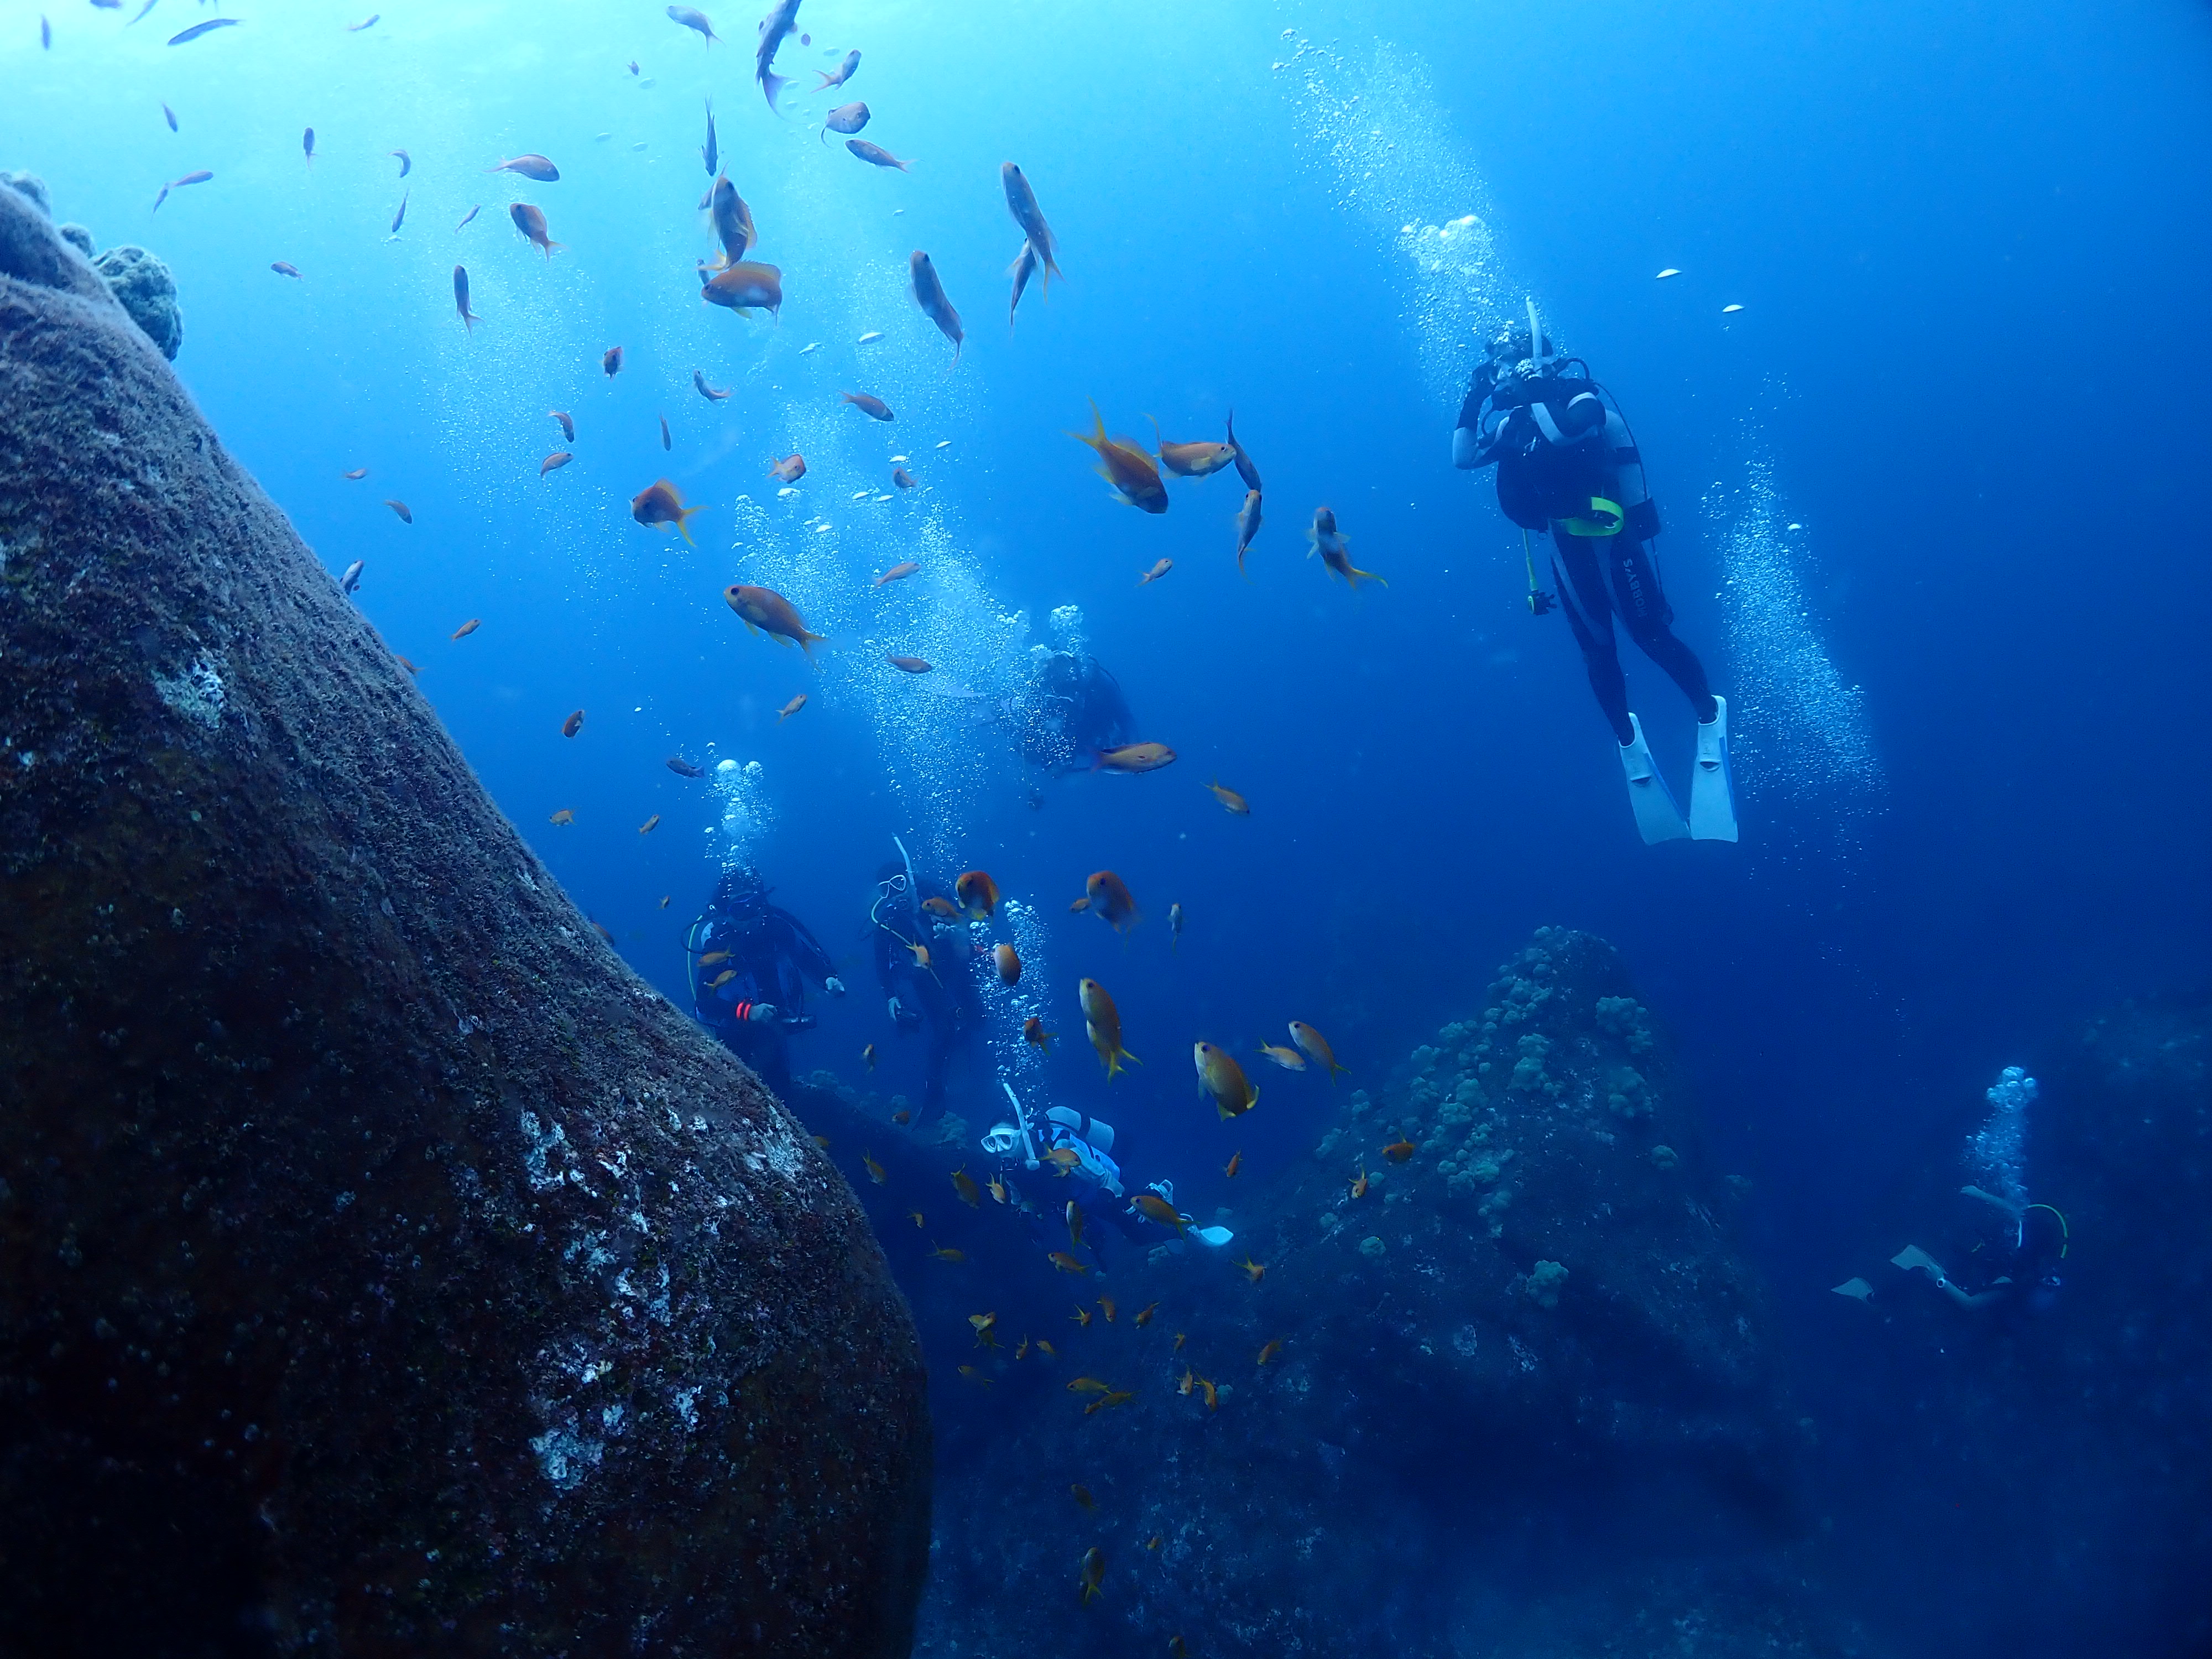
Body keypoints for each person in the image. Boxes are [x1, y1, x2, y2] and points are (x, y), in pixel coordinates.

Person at [1453, 301, 1737, 844]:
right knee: (1597, 654)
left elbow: (1569, 433)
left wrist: (1536, 391)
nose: (1501, 375)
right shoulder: (1512, 423)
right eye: (1496, 367)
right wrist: (1472, 399)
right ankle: (1629, 744)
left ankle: (1707, 716)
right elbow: (1462, 458)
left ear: (1536, 359)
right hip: (1565, 551)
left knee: (1651, 638)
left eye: (1509, 364)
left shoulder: (1577, 395)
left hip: (1610, 541)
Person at [979, 1081, 1235, 1266]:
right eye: (992, 1143)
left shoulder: (1059, 1148)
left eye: (1005, 1140)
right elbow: (1021, 1197)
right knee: (1120, 1234)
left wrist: (1114, 1195)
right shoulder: (1010, 1169)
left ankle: (1175, 1213)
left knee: (1138, 1232)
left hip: (1099, 1192)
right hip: (1077, 1204)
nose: (1000, 1150)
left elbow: (1101, 1175)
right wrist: (1025, 1214)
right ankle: (1160, 1213)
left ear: (1022, 1133)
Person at [686, 864, 844, 1095]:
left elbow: (806, 957)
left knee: (780, 1089)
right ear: (725, 913)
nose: (750, 915)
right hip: (734, 1030)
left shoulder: (776, 929)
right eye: (740, 909)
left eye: (754, 904)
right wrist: (748, 1012)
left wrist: (828, 978)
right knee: (734, 1090)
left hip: (774, 1026)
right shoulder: (719, 944)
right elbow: (704, 1003)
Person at [869, 839, 984, 1126]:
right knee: (943, 1032)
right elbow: (881, 961)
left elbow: (965, 921)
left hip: (956, 967)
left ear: (909, 879)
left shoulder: (934, 894)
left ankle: (966, 1057)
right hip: (924, 978)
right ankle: (934, 1097)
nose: (894, 894)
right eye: (886, 890)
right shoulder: (888, 919)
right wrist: (891, 997)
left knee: (976, 1020)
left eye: (898, 884)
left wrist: (955, 935)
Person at [1890, 1186, 2069, 1314]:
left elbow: (1970, 1304)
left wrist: (1940, 1280)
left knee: (1917, 1276)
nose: (2013, 1234)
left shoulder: (2013, 1279)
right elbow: (2014, 1212)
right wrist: (1979, 1193)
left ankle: (1880, 1300)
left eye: (2017, 1236)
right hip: (1988, 1271)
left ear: (2026, 1250)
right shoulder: (2026, 1241)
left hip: (1979, 1301)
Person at [1017, 648, 1135, 778]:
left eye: (1061, 663)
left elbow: (1124, 715)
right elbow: (1029, 722)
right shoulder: (1043, 685)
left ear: (1073, 664)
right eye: (1052, 665)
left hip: (1093, 736)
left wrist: (1135, 754)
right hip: (1068, 738)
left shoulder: (1094, 679)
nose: (1058, 671)